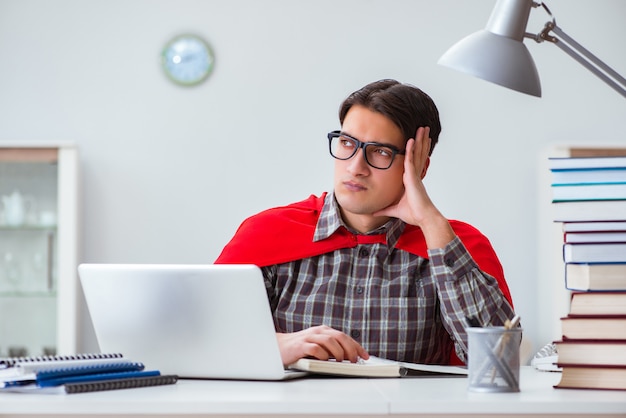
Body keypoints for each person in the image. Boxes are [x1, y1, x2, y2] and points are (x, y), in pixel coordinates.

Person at [215, 79, 516, 367]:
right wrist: (273, 347)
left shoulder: (456, 245)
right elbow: (198, 339)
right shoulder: (267, 233)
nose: (355, 167)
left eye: (380, 152)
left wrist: (430, 221)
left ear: (418, 166)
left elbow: (499, 359)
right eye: (347, 143)